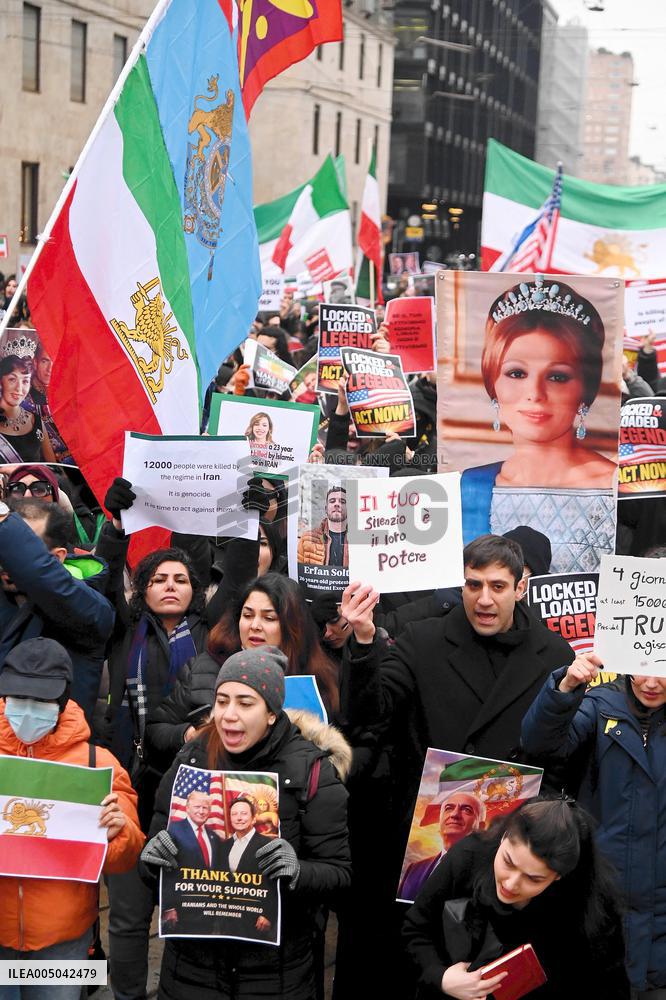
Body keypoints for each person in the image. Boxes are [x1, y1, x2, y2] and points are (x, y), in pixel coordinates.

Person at [140, 646, 352, 1000]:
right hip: (191, 973)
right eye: (222, 701)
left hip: (276, 976)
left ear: (271, 713)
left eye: (245, 703)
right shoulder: (190, 761)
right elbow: (152, 866)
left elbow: (339, 876)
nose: (228, 715)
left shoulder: (312, 771)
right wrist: (152, 860)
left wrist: (297, 871)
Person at [0, 637, 144, 998]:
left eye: (41, 702)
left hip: (65, 939)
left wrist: (119, 831)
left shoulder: (99, 763)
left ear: (62, 702)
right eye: (18, 700)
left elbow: (126, 857)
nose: (27, 711)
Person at [522, 654, 666, 995]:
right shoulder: (600, 705)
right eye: (640, 672)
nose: (649, 683)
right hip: (601, 901)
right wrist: (566, 687)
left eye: (661, 673)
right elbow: (540, 744)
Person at [461, 274, 617, 573]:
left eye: (557, 376)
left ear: (585, 389)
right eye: (517, 373)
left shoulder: (615, 485)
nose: (535, 394)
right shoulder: (470, 485)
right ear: (493, 383)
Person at [402, 798, 630, 999]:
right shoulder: (467, 857)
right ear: (503, 838)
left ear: (558, 877)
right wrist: (442, 978)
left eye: (533, 878)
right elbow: (416, 928)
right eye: (508, 862)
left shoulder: (591, 908)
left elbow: (607, 984)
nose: (511, 884)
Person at [145, 572, 341, 768]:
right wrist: (189, 734)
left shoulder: (321, 678)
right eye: (247, 615)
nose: (255, 626)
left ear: (292, 626)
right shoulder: (204, 667)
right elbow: (155, 730)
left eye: (269, 618)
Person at [0, 498, 114, 723]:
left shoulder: (91, 608)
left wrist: (2, 517)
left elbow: (41, 576)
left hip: (58, 750)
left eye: (21, 548)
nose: (7, 560)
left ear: (57, 557)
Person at [398, 792, 486, 902]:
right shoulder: (413, 870)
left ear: (481, 828)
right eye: (448, 808)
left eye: (467, 810)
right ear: (440, 820)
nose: (454, 814)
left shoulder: (487, 875)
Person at [0, 353, 56, 463]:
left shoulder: (36, 420)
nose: (19, 389)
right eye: (12, 379)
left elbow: (55, 470)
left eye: (25, 381)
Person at [168, 790, 225, 869]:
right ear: (187, 808)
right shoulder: (174, 830)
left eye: (205, 808)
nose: (201, 811)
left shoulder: (214, 837)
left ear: (209, 811)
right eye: (197, 807)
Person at [297, 486, 348, 568]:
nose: (337, 504)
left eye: (342, 501)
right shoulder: (307, 538)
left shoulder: (358, 542)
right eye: (332, 501)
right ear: (326, 509)